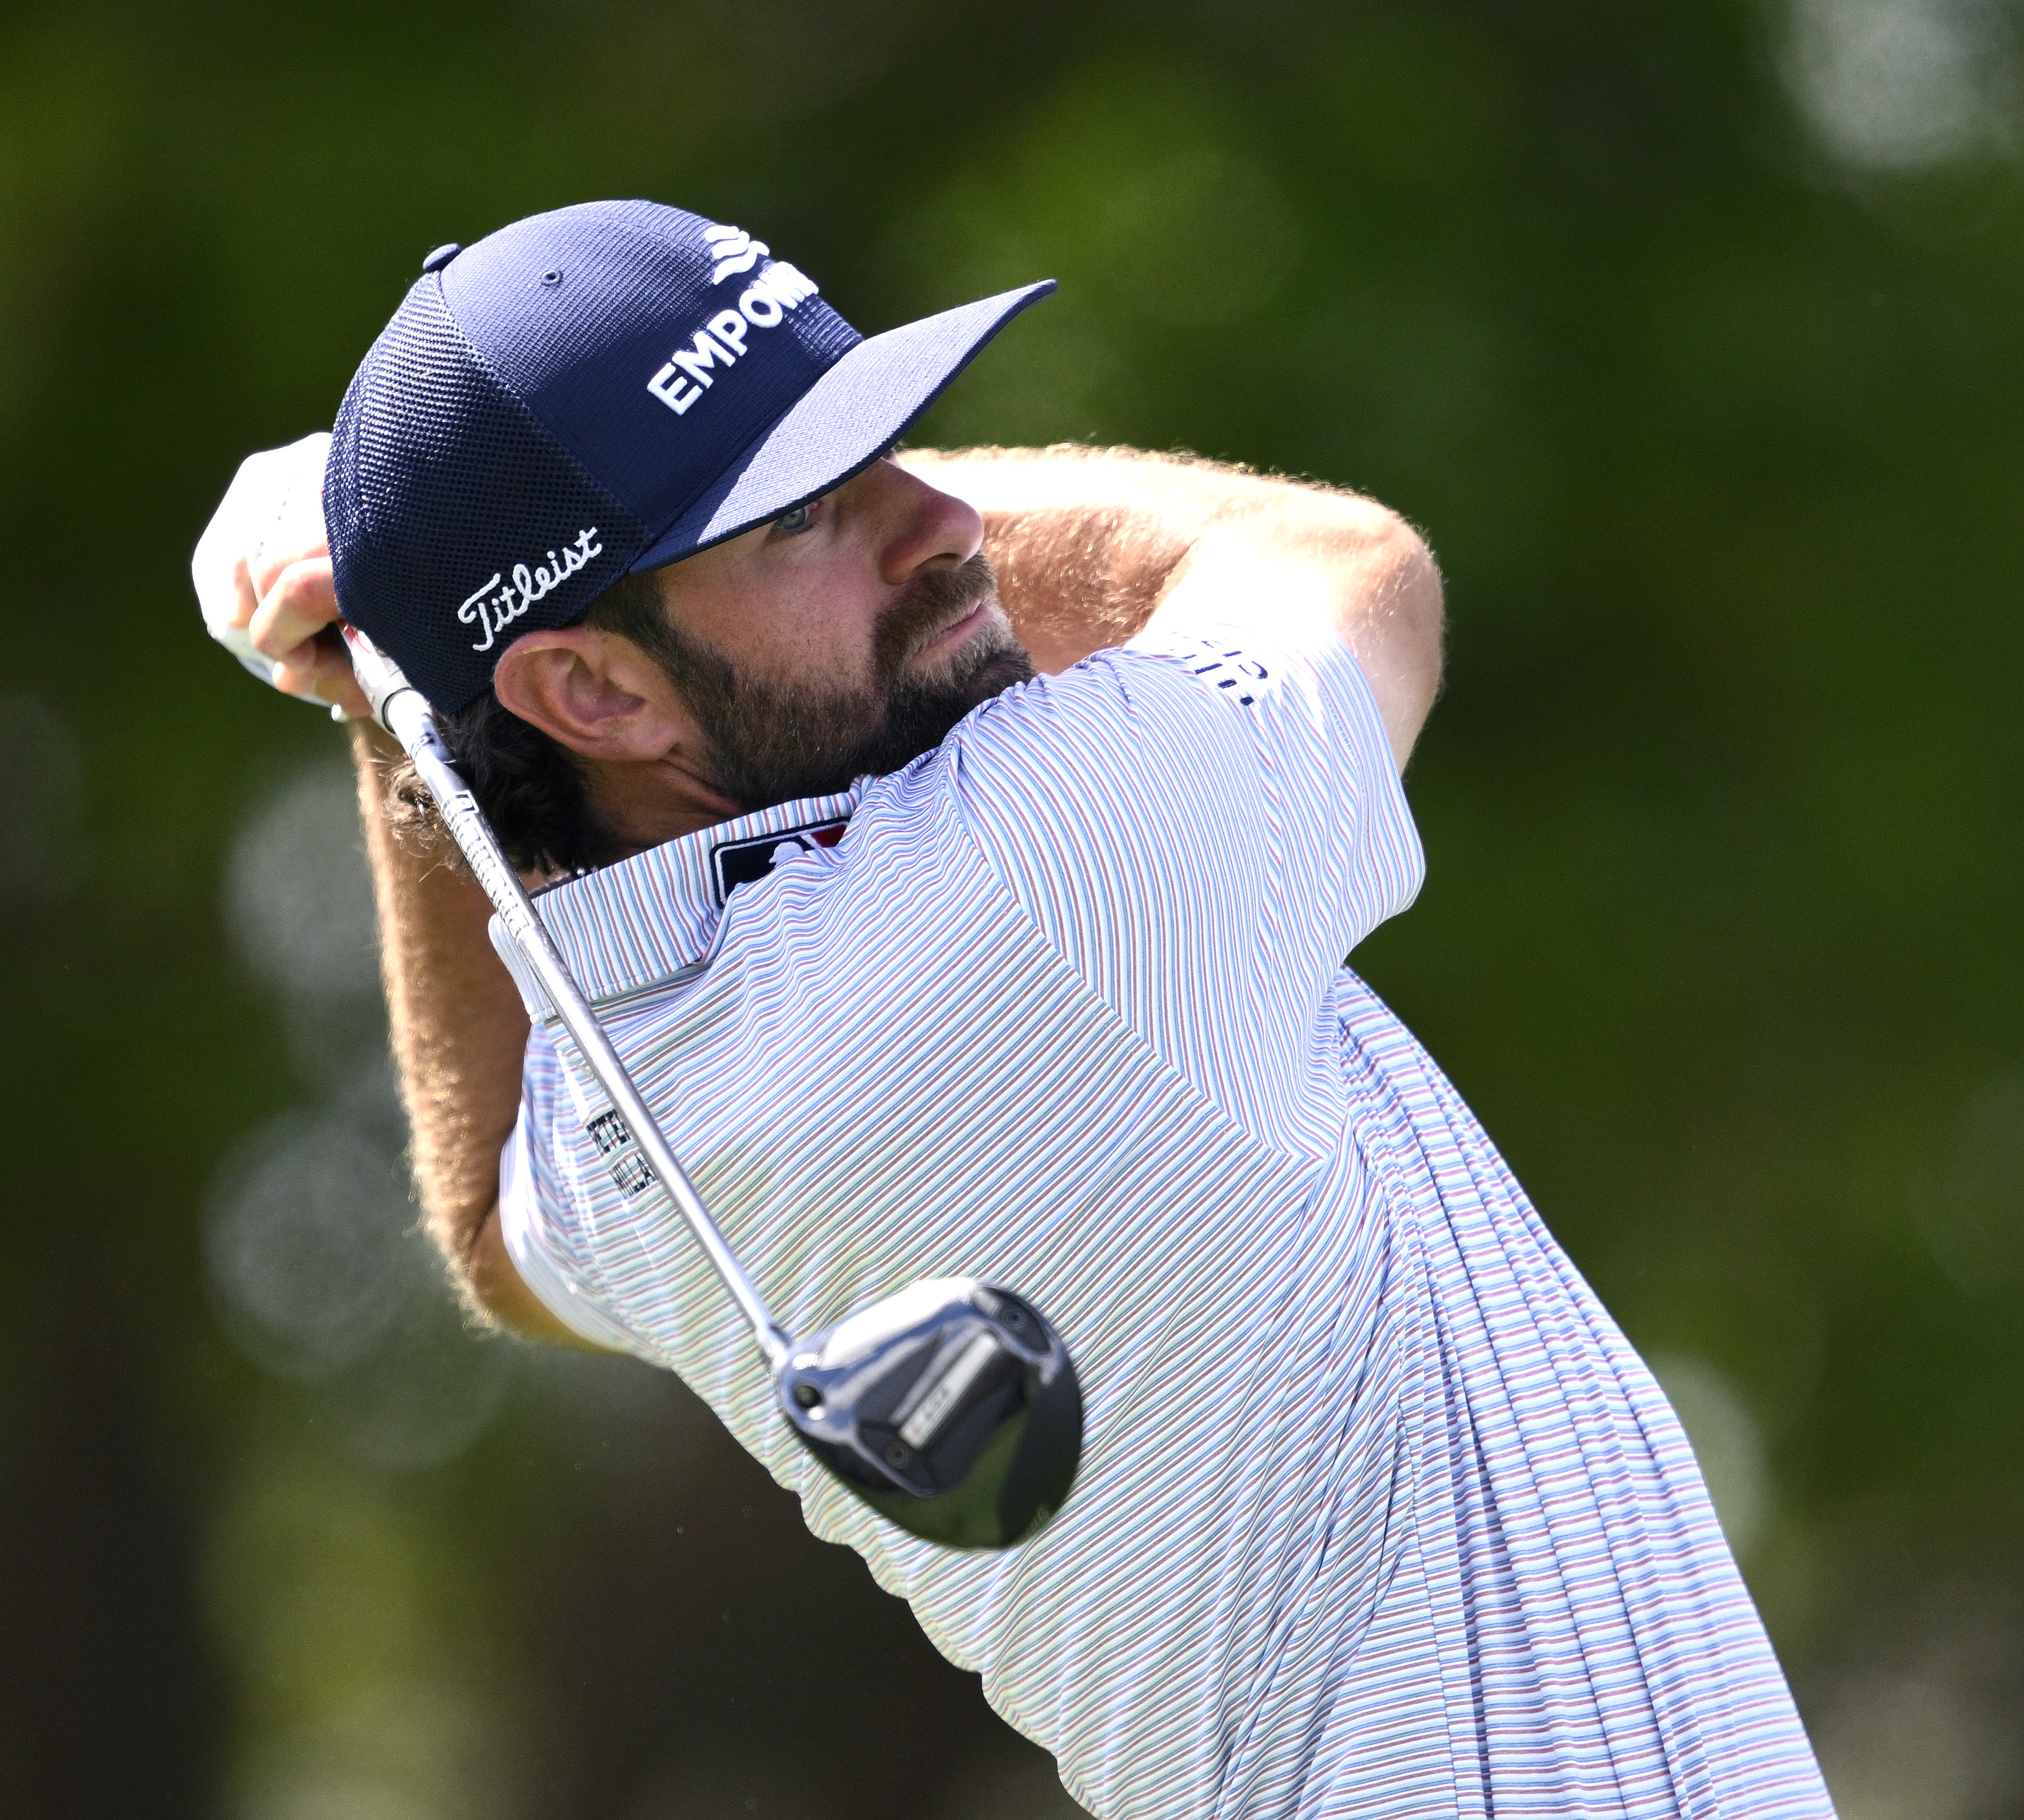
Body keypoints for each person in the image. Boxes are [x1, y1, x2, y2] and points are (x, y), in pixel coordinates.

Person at [193, 199, 1832, 1819]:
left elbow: (491, 1226)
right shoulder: (1049, 866)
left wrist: (401, 698)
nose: (942, 517)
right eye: (803, 511)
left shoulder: (631, 1109)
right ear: (594, 689)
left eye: (891, 443)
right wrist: (401, 655)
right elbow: (1350, 566)